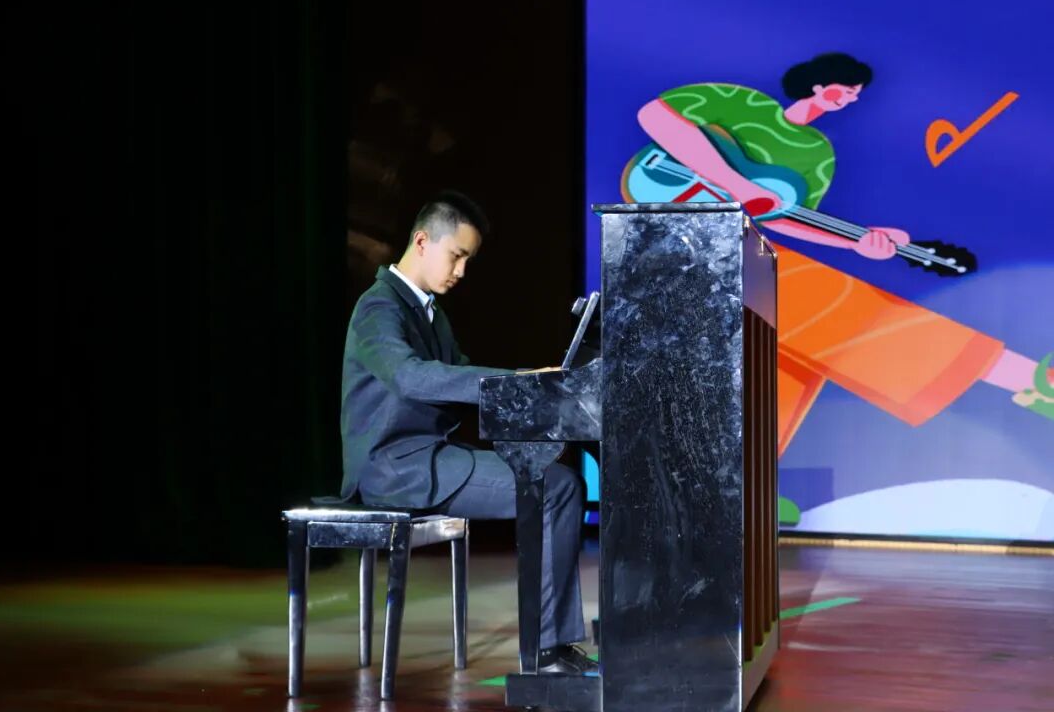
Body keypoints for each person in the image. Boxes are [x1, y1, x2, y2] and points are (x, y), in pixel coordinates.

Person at [632, 52, 1052, 459]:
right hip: (670, 225)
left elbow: (780, 217)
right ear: (817, 84)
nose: (848, 99)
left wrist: (856, 243)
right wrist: (734, 183)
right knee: (822, 302)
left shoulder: (817, 154)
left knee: (784, 356)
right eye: (843, 90)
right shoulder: (742, 102)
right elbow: (655, 116)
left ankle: (739, 476)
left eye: (854, 95)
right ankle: (1022, 376)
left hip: (729, 245)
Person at [340, 190, 595, 674]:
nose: (461, 271)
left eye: (467, 260)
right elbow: (412, 377)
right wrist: (519, 381)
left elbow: (462, 377)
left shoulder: (429, 313)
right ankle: (547, 650)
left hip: (428, 458)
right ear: (422, 241)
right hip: (396, 469)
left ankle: (552, 645)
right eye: (456, 256)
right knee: (557, 488)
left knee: (560, 482)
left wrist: (530, 383)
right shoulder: (378, 307)